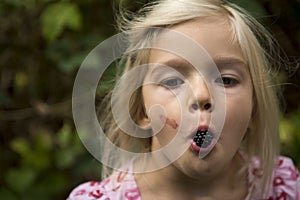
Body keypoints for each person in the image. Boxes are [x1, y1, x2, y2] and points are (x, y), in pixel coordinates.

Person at [68, 0, 300, 199]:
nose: (201, 95)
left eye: (226, 80)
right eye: (171, 82)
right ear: (141, 111)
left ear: (254, 109)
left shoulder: (284, 188)